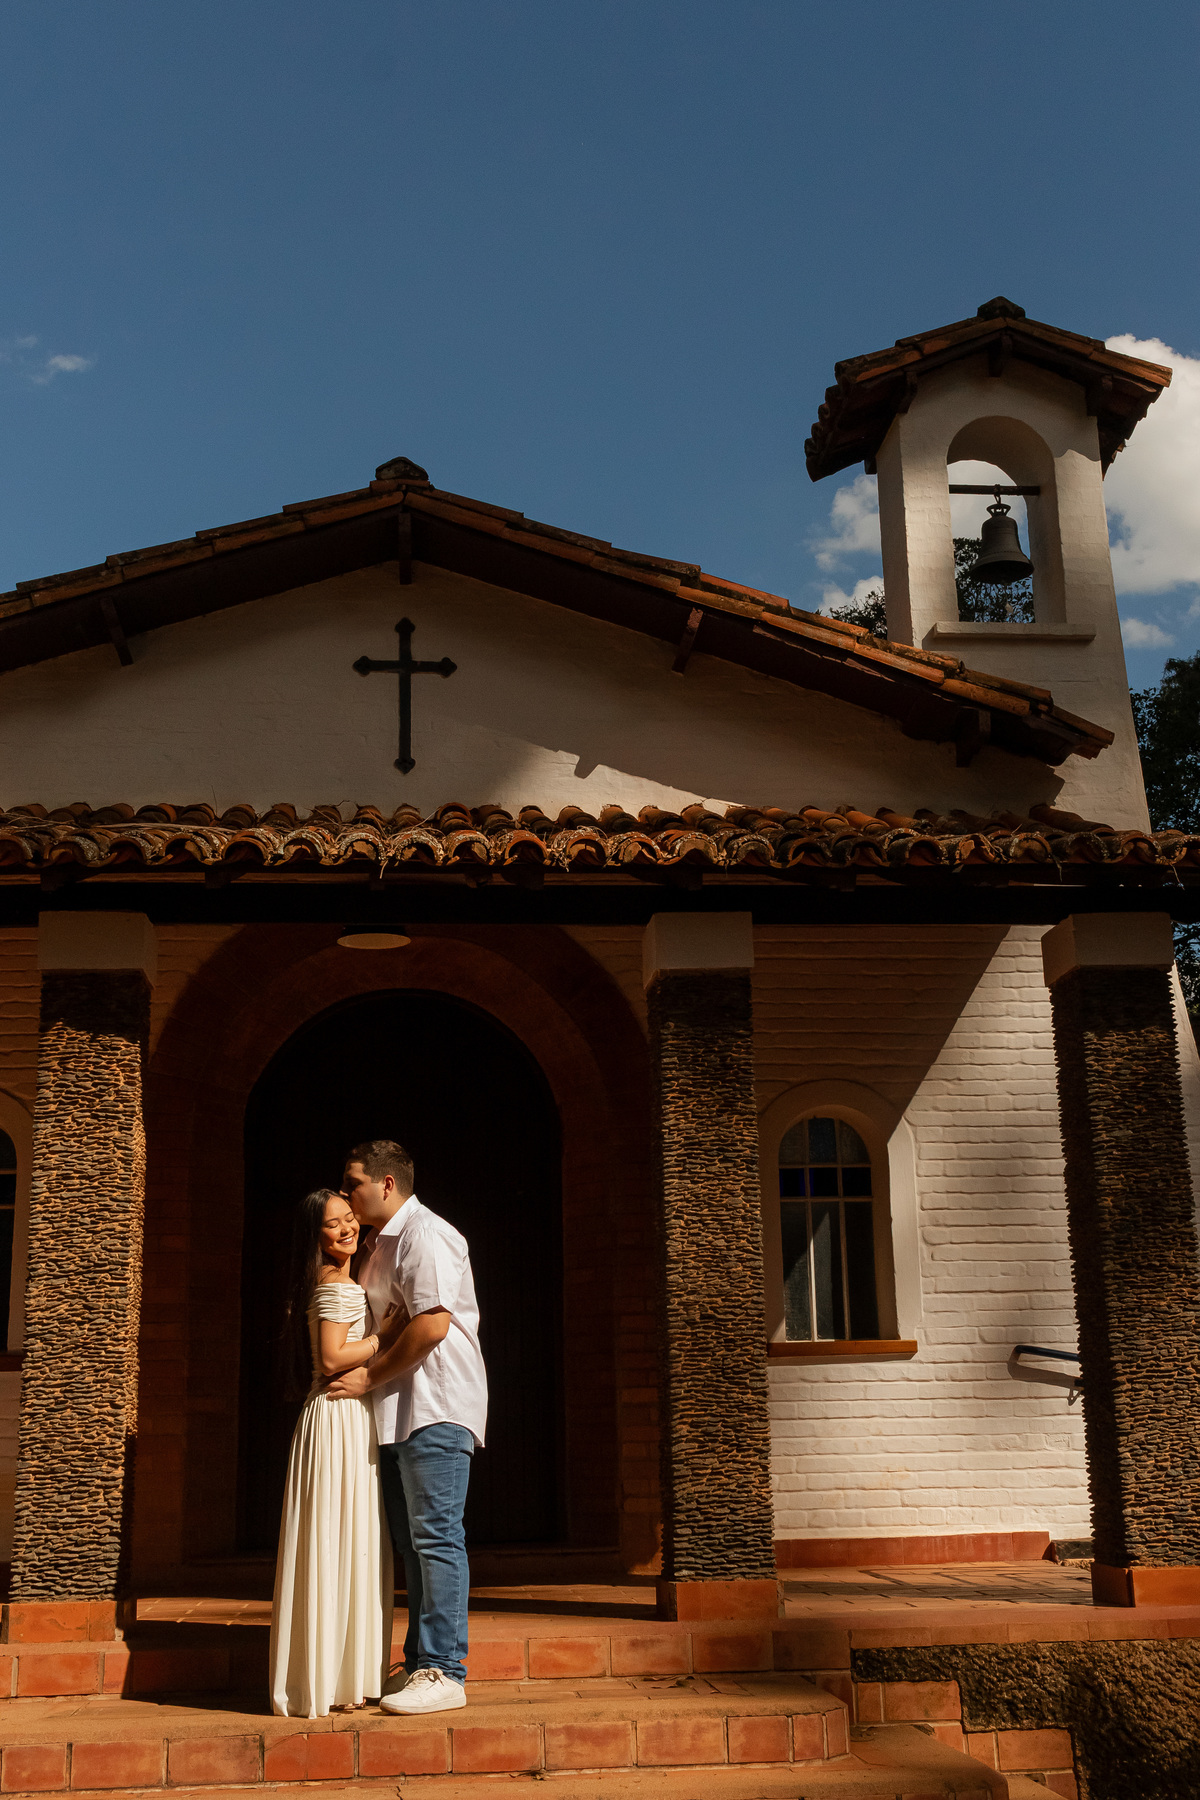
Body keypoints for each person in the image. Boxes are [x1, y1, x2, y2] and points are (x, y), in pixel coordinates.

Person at [327, 1139, 487, 1716]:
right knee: (412, 1545)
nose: (347, 1194)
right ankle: (423, 1662)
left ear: (386, 1184)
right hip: (398, 1411)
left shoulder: (427, 1235)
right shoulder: (378, 1245)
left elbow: (431, 1327)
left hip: (434, 1407)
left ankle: (446, 1670)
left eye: (354, 1183)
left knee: (437, 1538)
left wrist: (367, 1377)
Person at [269, 1187, 397, 1717]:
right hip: (339, 1413)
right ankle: (338, 1680)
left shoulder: (330, 1280)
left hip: (337, 1418)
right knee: (340, 1537)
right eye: (332, 1224)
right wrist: (383, 1338)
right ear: (314, 1236)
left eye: (349, 1219)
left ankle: (333, 1676)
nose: (346, 1229)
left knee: (342, 1538)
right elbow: (331, 1356)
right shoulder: (337, 1286)